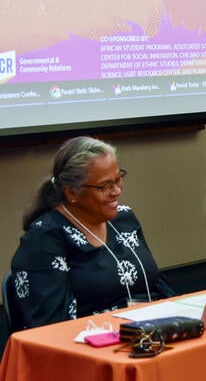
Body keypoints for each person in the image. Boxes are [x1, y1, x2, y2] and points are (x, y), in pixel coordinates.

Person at [10, 136, 175, 330]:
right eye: (105, 186)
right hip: (94, 346)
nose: (116, 191)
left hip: (150, 334)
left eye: (118, 179)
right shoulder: (44, 239)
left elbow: (156, 284)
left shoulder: (124, 218)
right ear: (72, 192)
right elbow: (50, 328)